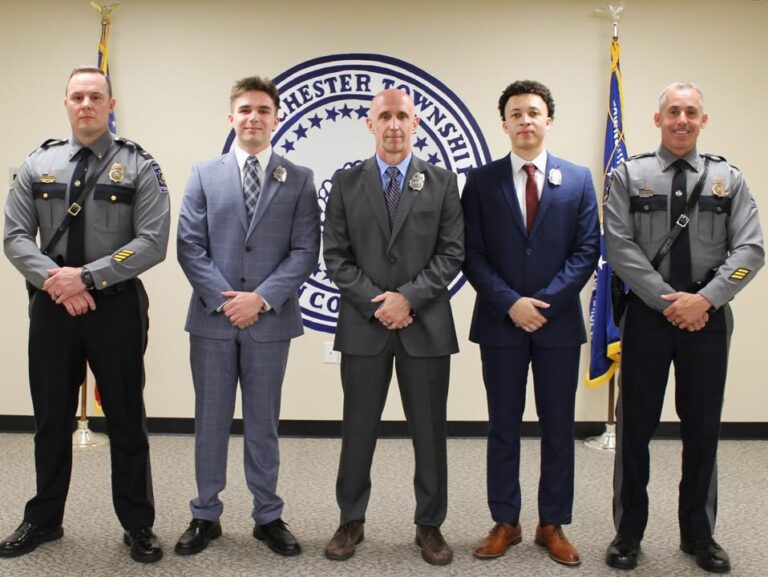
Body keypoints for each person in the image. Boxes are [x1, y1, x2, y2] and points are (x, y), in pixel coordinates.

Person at [1, 66, 170, 563]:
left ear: (111, 105)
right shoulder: (38, 163)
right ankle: (43, 518)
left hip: (115, 308)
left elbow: (152, 241)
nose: (86, 105)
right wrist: (58, 281)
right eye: (78, 97)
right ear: (67, 103)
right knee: (51, 418)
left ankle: (138, 524)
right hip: (53, 307)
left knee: (125, 417)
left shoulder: (138, 165)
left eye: (96, 97)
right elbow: (14, 236)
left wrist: (88, 277)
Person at [603, 82, 764, 573]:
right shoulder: (629, 175)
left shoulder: (728, 179)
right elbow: (619, 246)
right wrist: (668, 302)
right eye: (673, 111)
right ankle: (628, 533)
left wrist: (705, 299)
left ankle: (699, 535)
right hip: (647, 318)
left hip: (707, 320)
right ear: (658, 119)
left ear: (702, 120)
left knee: (703, 428)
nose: (681, 120)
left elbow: (751, 249)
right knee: (635, 428)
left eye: (691, 112)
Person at [176, 76, 319, 558]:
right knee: (210, 420)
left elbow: (305, 251)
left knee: (263, 423)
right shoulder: (203, 174)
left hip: (269, 322)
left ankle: (268, 516)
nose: (253, 117)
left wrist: (259, 299)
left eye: (262, 110)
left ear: (276, 118)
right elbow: (189, 245)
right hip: (212, 321)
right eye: (245, 109)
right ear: (231, 117)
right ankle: (205, 514)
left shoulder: (299, 178)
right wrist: (227, 301)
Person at [322, 88, 464, 566]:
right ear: (371, 124)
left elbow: (451, 252)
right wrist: (378, 303)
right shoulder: (346, 183)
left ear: (415, 123)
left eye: (403, 115)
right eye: (385, 116)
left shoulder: (442, 182)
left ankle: (430, 524)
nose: (394, 124)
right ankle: (351, 519)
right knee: (357, 428)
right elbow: (336, 256)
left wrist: (409, 299)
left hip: (425, 325)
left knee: (430, 431)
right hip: (365, 326)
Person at [461, 80, 600, 567]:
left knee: (558, 427)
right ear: (504, 124)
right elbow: (471, 254)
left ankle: (551, 524)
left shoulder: (578, 180)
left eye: (533, 112)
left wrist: (542, 304)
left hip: (557, 326)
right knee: (503, 425)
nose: (525, 121)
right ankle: (506, 521)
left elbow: (587, 250)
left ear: (548, 121)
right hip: (500, 324)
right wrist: (510, 303)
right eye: (516, 113)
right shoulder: (481, 182)